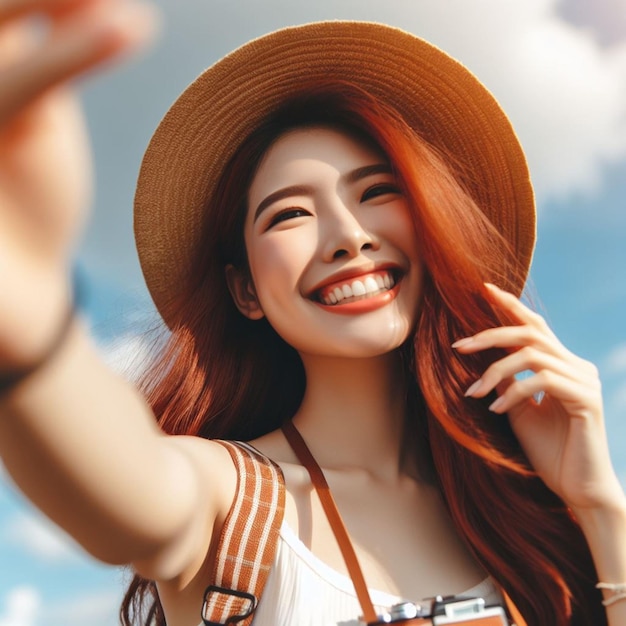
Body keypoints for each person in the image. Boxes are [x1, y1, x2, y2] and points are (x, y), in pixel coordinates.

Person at [1, 2, 625, 626]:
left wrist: (598, 506)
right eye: (290, 214)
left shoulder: (522, 512)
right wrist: (30, 329)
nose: (348, 236)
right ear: (244, 290)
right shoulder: (232, 499)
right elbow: (120, 491)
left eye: (378, 191)